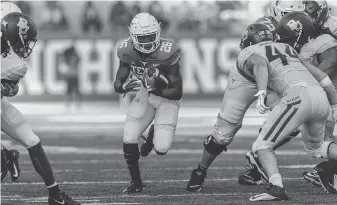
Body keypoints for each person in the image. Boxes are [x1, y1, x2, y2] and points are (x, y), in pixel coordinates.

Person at [185, 0, 305, 192]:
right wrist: (262, 89)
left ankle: (258, 158)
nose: (293, 20)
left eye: (297, 16)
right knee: (223, 134)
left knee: (293, 117)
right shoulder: (264, 26)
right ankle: (200, 171)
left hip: (273, 78)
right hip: (246, 78)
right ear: (277, 11)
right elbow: (257, 61)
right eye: (288, 15)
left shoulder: (303, 27)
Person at [239, 0, 337, 189]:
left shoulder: (327, 33)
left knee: (317, 134)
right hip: (311, 88)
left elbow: (329, 65)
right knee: (310, 137)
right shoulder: (280, 26)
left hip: (323, 88)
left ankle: (328, 172)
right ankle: (327, 172)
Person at [1, 12, 80, 205]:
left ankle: (55, 196)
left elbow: (10, 88)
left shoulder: (15, 63)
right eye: (25, 41)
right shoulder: (15, 63)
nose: (26, 46)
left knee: (32, 140)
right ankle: (5, 155)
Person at [114, 13, 183, 193]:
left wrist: (154, 88)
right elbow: (119, 80)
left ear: (158, 33)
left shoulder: (169, 51)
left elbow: (177, 91)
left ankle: (152, 134)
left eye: (150, 36)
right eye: (141, 38)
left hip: (167, 97)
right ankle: (136, 182)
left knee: (161, 148)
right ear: (133, 36)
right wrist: (123, 87)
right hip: (145, 93)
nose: (146, 41)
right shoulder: (126, 50)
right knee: (129, 136)